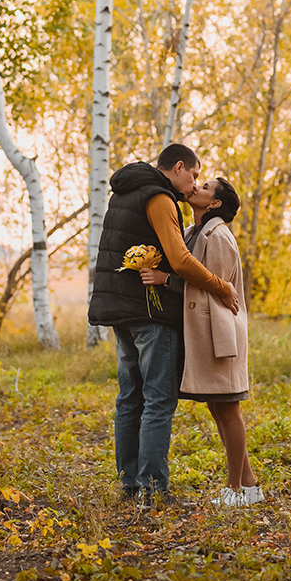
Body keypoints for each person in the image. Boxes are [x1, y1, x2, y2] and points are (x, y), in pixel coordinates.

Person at [87, 143, 239, 504]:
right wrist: (221, 287)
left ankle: (130, 486)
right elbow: (181, 259)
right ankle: (153, 490)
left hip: (118, 309)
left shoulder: (124, 192)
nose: (194, 183)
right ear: (180, 167)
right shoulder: (159, 198)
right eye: (195, 176)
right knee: (157, 400)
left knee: (129, 399)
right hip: (149, 314)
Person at [140, 175, 262, 507]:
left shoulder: (219, 235)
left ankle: (234, 491)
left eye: (205, 187)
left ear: (215, 203)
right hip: (204, 334)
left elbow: (215, 287)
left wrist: (166, 280)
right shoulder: (194, 233)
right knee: (218, 407)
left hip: (221, 334)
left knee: (228, 409)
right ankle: (250, 486)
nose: (196, 188)